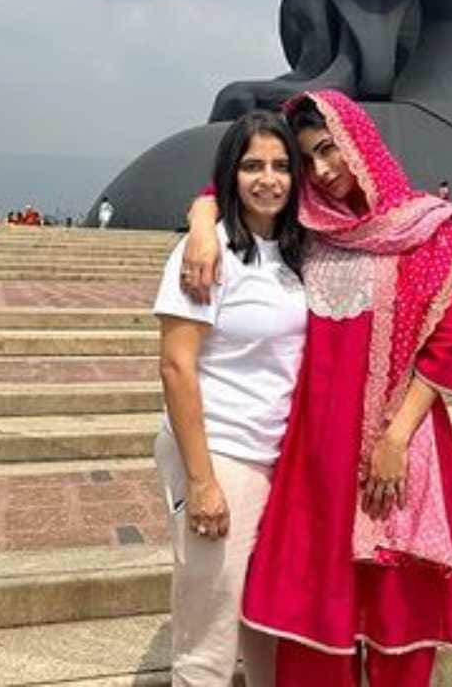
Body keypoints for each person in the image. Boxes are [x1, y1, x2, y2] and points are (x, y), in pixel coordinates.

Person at [181, 91, 452, 684]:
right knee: (314, 616)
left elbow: (448, 348)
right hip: (315, 454)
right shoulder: (310, 229)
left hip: (398, 447)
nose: (323, 170)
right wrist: (202, 224)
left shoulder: (432, 232)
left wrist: (395, 440)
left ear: (360, 143)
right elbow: (233, 189)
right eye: (310, 160)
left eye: (330, 150)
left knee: (396, 610)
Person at [152, 111, 309, 687]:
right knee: (210, 627)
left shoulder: (295, 253)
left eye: (280, 166)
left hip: (276, 458)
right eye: (251, 166)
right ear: (229, 174)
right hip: (221, 450)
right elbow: (176, 365)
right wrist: (201, 482)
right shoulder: (206, 254)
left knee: (265, 617)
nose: (267, 179)